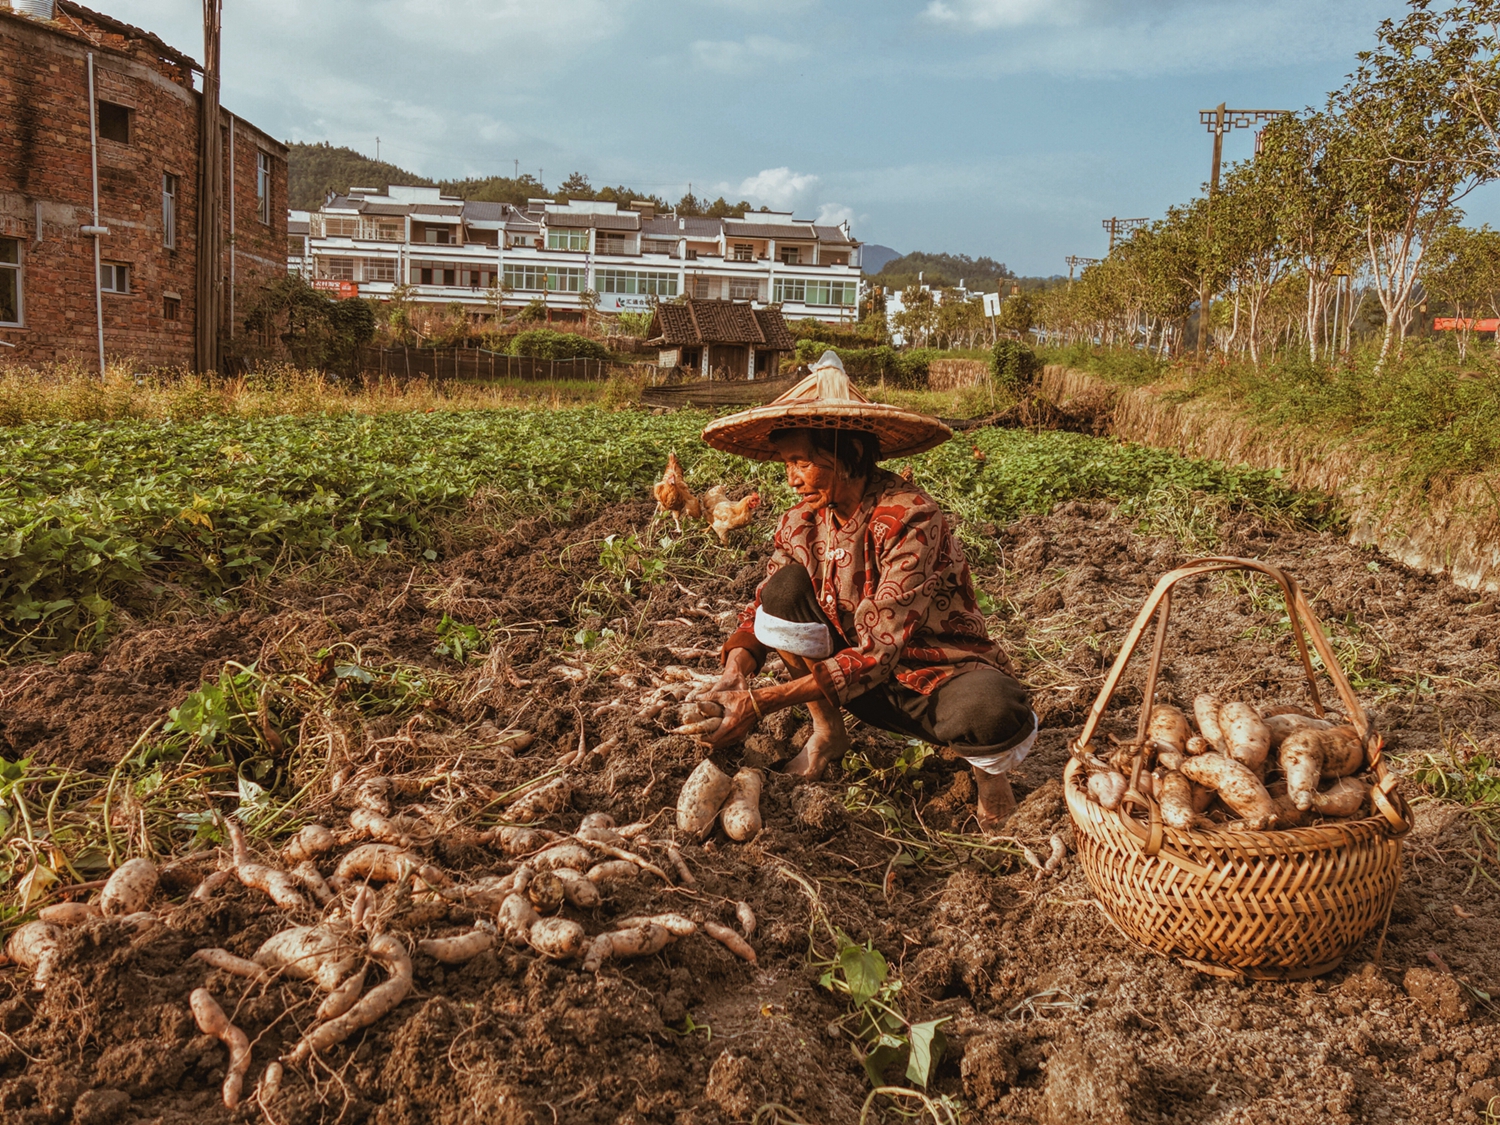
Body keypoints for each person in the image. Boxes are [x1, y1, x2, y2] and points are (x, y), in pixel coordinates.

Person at [697, 351, 1036, 830]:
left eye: (801, 463)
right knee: (783, 587)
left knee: (991, 709)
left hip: (929, 679)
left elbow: (881, 650)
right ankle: (828, 733)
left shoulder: (909, 517)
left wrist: (762, 703)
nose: (791, 479)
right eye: (785, 463)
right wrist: (737, 671)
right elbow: (763, 609)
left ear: (845, 451)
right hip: (846, 677)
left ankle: (990, 780)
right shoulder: (800, 522)